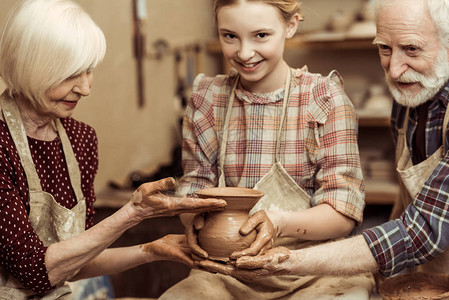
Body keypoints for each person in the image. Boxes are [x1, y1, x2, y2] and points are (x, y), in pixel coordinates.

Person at [0, 0, 227, 298]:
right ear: (30, 67)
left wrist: (150, 250)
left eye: (89, 71)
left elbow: (73, 263)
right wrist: (132, 213)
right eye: (71, 74)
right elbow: (35, 271)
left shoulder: (80, 139)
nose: (85, 88)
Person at [211, 0, 449, 282]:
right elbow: (408, 206)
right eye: (384, 48)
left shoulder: (324, 97)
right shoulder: (410, 99)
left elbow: (421, 231)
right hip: (432, 272)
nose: (394, 70)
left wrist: (288, 259)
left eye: (412, 49)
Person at [159, 0, 375, 299]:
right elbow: (194, 188)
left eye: (261, 36)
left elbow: (344, 213)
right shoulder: (208, 99)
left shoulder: (323, 98)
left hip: (312, 270)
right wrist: (194, 219)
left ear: (291, 25)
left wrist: (280, 223)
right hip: (226, 273)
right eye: (229, 36)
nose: (244, 53)